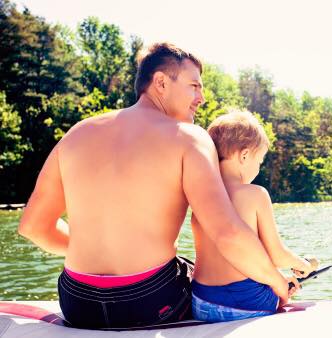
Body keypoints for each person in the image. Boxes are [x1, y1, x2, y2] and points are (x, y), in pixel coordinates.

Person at [17, 42, 288, 329]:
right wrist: (277, 281)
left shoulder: (77, 134)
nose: (202, 98)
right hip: (148, 301)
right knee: (200, 275)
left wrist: (89, 251)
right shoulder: (189, 138)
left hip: (77, 301)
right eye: (194, 86)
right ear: (160, 82)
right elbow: (227, 233)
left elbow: (33, 226)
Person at [191, 111, 318, 322]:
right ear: (244, 156)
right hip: (244, 302)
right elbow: (277, 255)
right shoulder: (255, 194)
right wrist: (303, 265)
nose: (258, 169)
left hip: (200, 300)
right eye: (259, 161)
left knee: (272, 282)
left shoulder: (203, 198)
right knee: (281, 292)